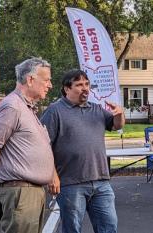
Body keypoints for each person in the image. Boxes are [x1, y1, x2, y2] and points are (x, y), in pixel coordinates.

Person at [40, 69, 125, 233]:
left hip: (101, 182)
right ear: (67, 89)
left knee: (109, 227)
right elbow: (43, 146)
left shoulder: (96, 109)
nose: (85, 88)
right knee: (72, 229)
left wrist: (119, 114)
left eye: (87, 84)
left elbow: (116, 125)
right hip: (71, 184)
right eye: (79, 85)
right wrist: (52, 176)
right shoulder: (54, 111)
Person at [0, 58, 54, 233]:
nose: (50, 85)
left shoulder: (26, 108)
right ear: (30, 80)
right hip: (21, 192)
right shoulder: (12, 107)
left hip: (32, 192)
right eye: (46, 80)